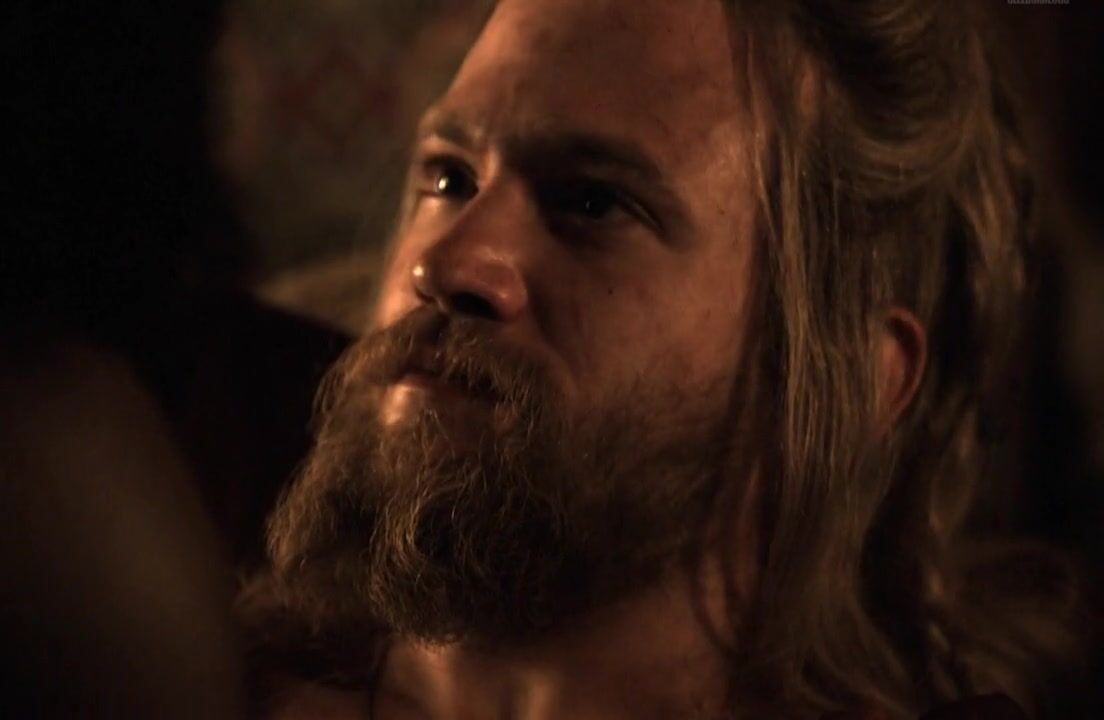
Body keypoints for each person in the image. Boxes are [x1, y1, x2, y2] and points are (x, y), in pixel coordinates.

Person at [254, 0, 1091, 717]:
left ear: (850, 377)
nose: (445, 265)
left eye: (593, 201)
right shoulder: (196, 657)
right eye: (449, 178)